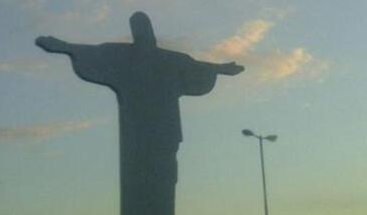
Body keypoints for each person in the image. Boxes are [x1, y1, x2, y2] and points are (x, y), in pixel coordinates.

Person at [36, 11, 244, 215]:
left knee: (165, 176)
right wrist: (64, 47)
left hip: (164, 131)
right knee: (136, 177)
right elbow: (93, 52)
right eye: (139, 28)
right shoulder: (123, 56)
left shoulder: (169, 60)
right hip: (136, 132)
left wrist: (221, 69)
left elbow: (196, 67)